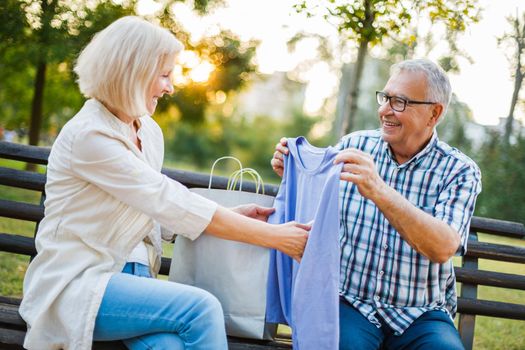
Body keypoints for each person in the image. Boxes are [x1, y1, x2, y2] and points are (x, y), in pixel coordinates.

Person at [19, 16, 309, 350]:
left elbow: (149, 208)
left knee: (170, 346)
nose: (170, 87)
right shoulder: (90, 135)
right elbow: (167, 199)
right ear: (133, 72)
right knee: (202, 308)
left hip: (137, 281)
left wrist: (235, 214)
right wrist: (278, 238)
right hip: (80, 282)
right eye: (165, 74)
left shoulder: (147, 131)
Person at [271, 58, 481, 350]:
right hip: (350, 303)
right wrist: (294, 172)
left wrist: (379, 190)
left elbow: (443, 246)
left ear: (434, 113)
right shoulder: (353, 147)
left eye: (400, 102)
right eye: (385, 98)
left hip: (420, 314)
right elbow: (315, 210)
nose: (384, 110)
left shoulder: (459, 170)